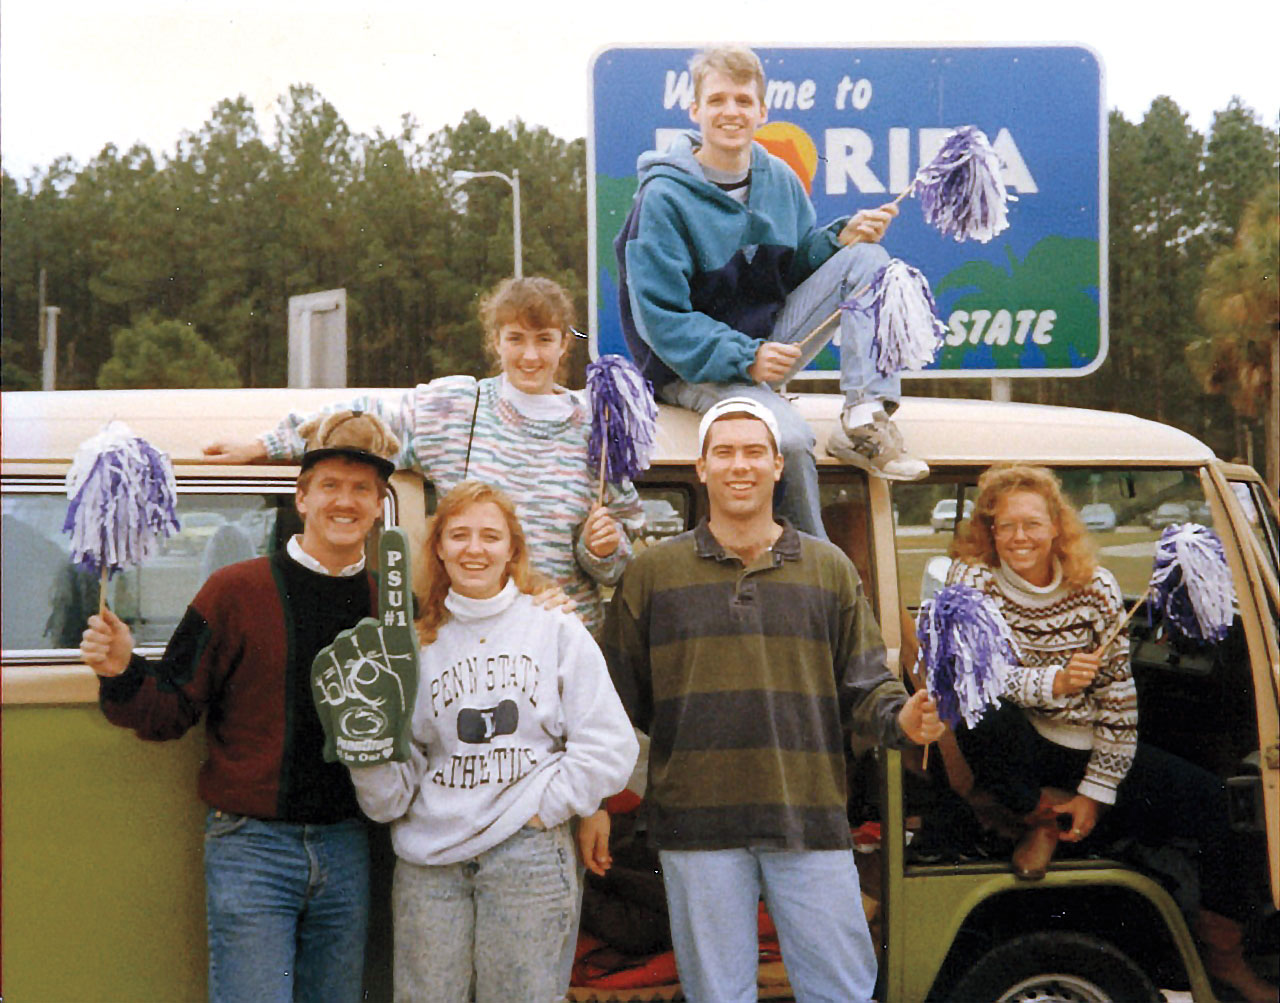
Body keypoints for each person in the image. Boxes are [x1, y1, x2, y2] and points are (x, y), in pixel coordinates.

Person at [602, 397, 943, 1003]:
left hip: (808, 819)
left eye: (755, 452)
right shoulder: (652, 575)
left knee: (840, 991)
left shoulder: (829, 570)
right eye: (725, 452)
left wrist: (905, 718)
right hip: (695, 830)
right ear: (701, 468)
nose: (741, 465)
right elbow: (611, 706)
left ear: (778, 465)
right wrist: (593, 803)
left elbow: (866, 686)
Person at [78, 410, 401, 1003]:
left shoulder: (390, 606)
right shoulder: (235, 591)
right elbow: (169, 710)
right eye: (329, 485)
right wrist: (122, 670)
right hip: (253, 848)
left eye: (362, 489)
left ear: (380, 504)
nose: (345, 502)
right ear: (301, 497)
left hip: (349, 847)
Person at [946, 462, 1275, 1003]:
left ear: (1057, 526)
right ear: (989, 530)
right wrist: (1053, 679)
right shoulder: (972, 581)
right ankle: (1038, 817)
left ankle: (1226, 957)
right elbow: (980, 673)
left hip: (1082, 744)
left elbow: (1119, 701)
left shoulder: (1096, 588)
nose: (1019, 538)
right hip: (1014, 742)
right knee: (979, 701)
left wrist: (1096, 794)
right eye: (1005, 526)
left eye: (1032, 524)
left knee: (1216, 803)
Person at [205, 275, 642, 636]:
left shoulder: (598, 428)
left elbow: (618, 562)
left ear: (565, 343)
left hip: (564, 639)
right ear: (496, 341)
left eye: (544, 339)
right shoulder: (457, 409)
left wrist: (600, 549)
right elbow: (361, 422)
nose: (530, 356)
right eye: (516, 339)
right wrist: (264, 445)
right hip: (476, 634)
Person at [614, 44, 928, 544]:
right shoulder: (663, 197)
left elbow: (792, 269)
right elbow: (662, 319)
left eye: (742, 101)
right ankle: (821, 580)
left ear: (762, 111)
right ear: (695, 111)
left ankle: (863, 420)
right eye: (717, 100)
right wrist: (747, 357)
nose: (730, 112)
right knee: (790, 438)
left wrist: (836, 240)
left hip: (764, 349)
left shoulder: (779, 180)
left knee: (870, 261)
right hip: (685, 367)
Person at [344, 480, 639, 1001]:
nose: (474, 549)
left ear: (512, 549)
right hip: (429, 864)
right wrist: (363, 751)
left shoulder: (554, 627)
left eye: (489, 536)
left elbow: (608, 744)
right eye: (458, 535)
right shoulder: (416, 644)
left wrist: (544, 807)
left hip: (527, 854)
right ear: (438, 548)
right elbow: (402, 772)